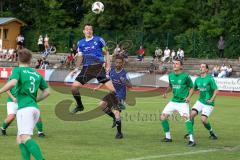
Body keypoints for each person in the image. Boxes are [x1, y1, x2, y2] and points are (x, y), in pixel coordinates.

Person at [0, 48, 50, 160]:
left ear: (18, 59)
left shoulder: (18, 70)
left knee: (24, 137)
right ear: (30, 60)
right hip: (34, 109)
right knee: (19, 138)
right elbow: (47, 92)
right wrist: (35, 100)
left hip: (25, 109)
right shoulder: (36, 73)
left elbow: (12, 83)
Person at [70, 23, 118, 128]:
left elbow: (107, 53)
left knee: (113, 91)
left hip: (99, 68)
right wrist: (76, 68)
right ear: (83, 31)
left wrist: (108, 65)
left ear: (92, 31)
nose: (88, 31)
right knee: (74, 88)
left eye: (90, 29)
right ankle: (79, 105)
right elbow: (80, 57)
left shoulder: (99, 40)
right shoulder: (80, 43)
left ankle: (114, 114)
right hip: (86, 69)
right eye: (86, 29)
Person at [94, 55, 132, 139]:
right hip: (112, 94)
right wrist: (98, 87)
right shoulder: (112, 71)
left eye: (120, 62)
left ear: (122, 63)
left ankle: (119, 133)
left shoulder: (125, 73)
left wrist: (125, 81)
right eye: (116, 62)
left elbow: (130, 85)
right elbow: (106, 80)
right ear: (115, 62)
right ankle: (114, 118)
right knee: (102, 104)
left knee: (116, 112)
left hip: (120, 95)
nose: (118, 64)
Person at [161, 58, 196, 147]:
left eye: (177, 64)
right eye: (174, 63)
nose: (174, 65)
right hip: (173, 101)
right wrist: (165, 92)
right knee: (163, 117)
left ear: (181, 66)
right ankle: (168, 137)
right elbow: (170, 86)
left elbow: (192, 87)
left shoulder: (185, 76)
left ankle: (192, 140)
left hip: (183, 102)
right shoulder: (171, 75)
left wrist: (188, 97)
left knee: (186, 119)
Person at [185, 63, 218, 140]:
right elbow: (193, 89)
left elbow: (216, 90)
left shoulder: (210, 79)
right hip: (200, 101)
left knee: (203, 120)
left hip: (209, 103)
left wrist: (211, 99)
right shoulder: (197, 79)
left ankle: (212, 132)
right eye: (200, 67)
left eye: (203, 67)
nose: (201, 68)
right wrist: (188, 97)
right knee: (190, 115)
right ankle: (190, 133)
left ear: (206, 69)